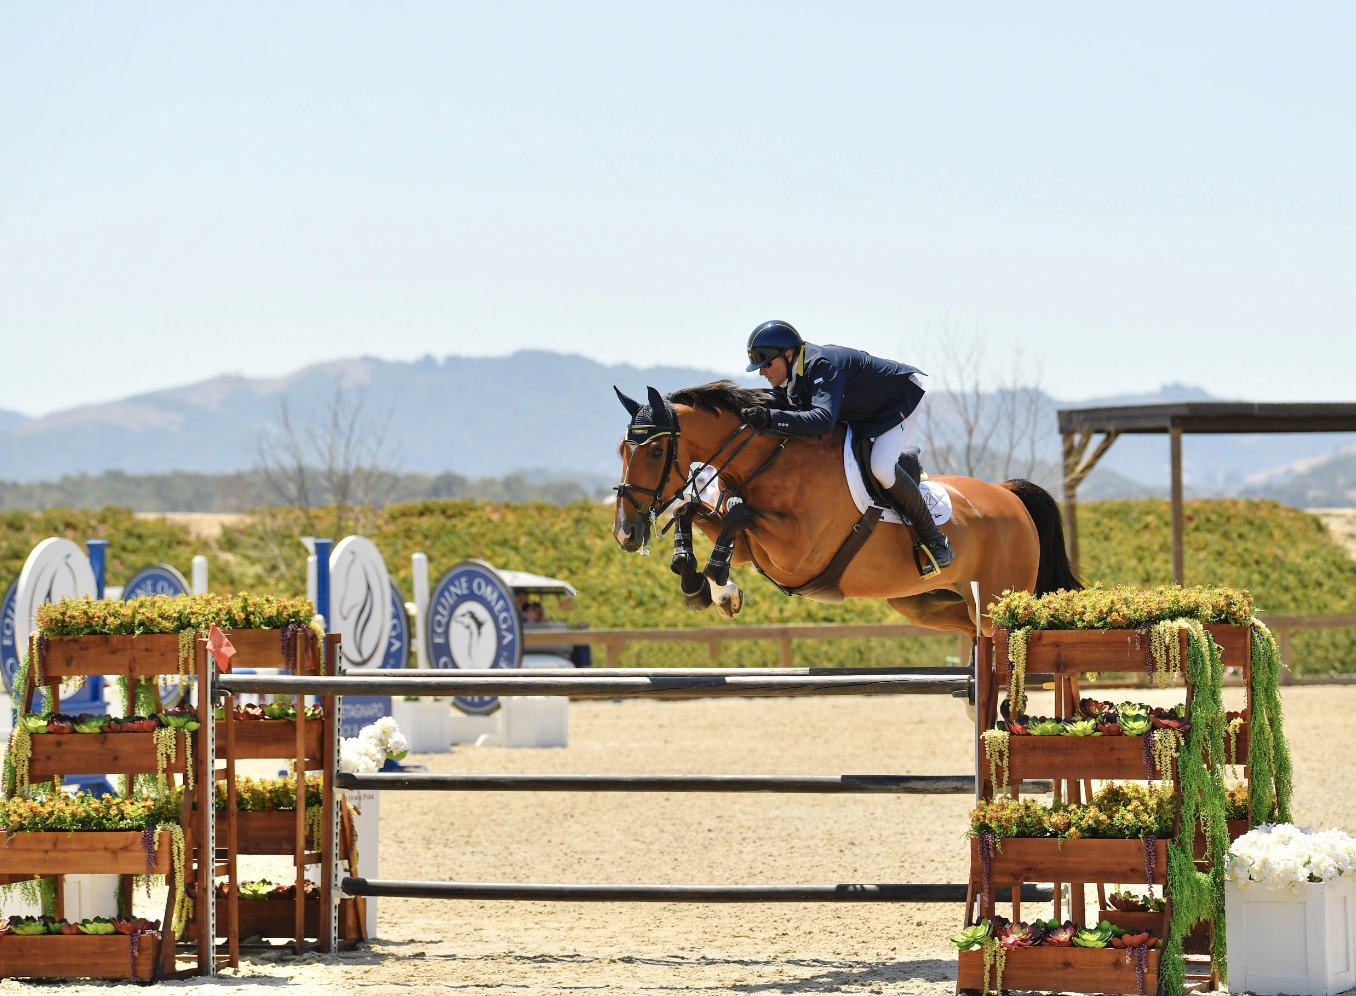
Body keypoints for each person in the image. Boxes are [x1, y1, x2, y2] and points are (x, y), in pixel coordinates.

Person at [739, 319, 953, 572]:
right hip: (861, 411)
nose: (763, 372)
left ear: (788, 354)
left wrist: (770, 418)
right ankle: (901, 463)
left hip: (896, 402)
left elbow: (822, 420)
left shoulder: (821, 364)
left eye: (767, 365)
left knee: (881, 468)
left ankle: (936, 541)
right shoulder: (796, 369)